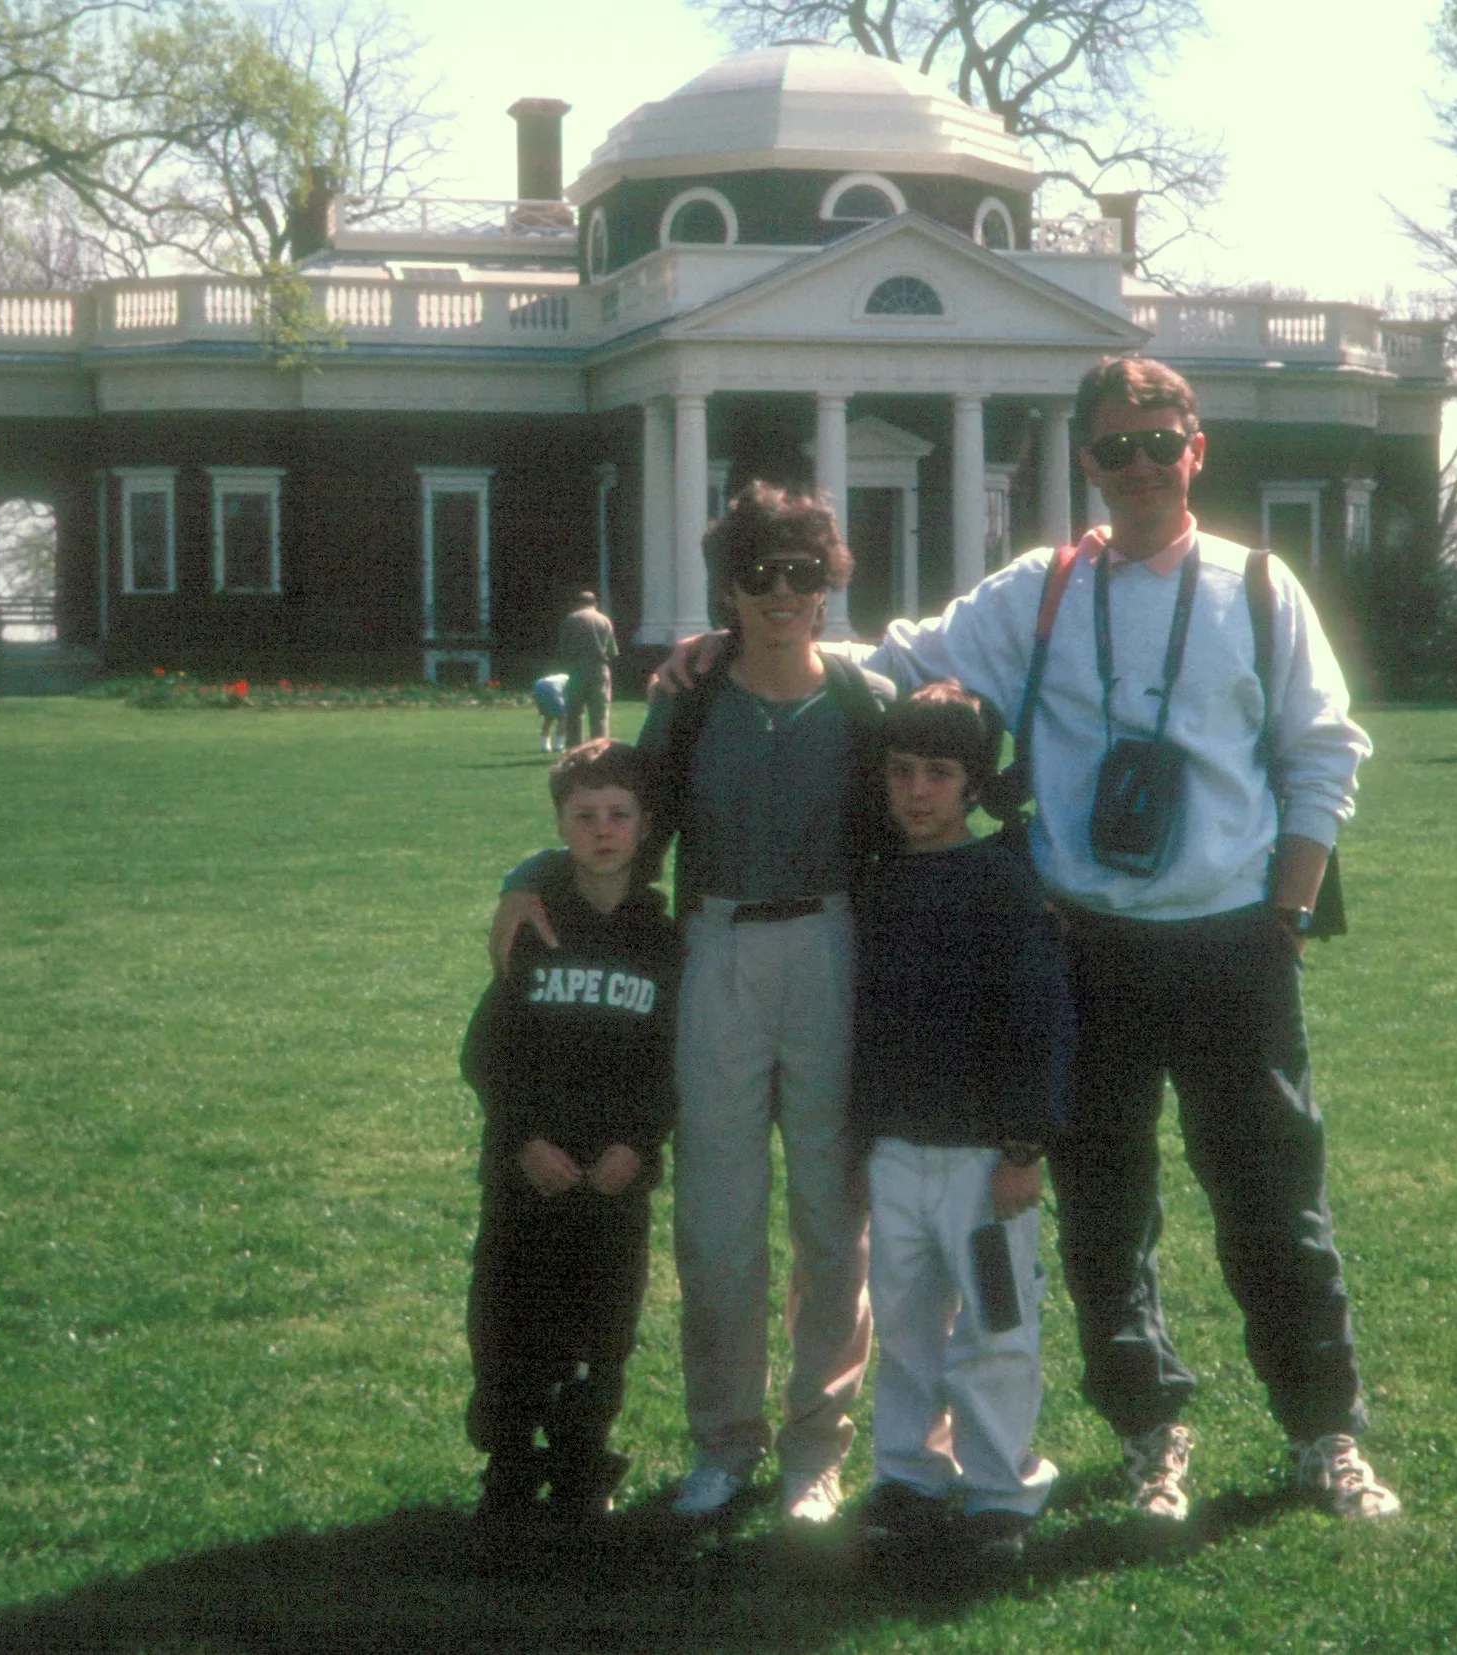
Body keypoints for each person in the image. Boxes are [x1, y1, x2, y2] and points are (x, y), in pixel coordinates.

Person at [662, 358, 1398, 1522]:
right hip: (1084, 942)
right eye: (1115, 448)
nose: (1140, 464)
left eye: (1161, 440)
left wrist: (1289, 913)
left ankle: (1322, 1432)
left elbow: (1322, 753)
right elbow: (897, 662)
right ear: (1087, 460)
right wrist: (735, 645)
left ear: (1195, 448)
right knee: (1104, 1210)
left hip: (1227, 943)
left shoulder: (1257, 588)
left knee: (1271, 1197)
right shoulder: (1041, 591)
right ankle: (1151, 1428)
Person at [491, 484, 893, 1527]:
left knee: (825, 1216)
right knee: (716, 1223)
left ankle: (816, 1449)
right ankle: (722, 1440)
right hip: (715, 945)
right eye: (757, 573)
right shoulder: (691, 696)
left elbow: (928, 814)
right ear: (728, 585)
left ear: (828, 580)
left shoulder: (861, 700)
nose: (780, 593)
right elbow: (618, 813)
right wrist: (528, 869)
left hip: (829, 947)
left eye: (802, 572)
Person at [850, 682, 1072, 1564]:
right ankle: (907, 1475)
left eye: (938, 773)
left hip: (986, 1160)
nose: (916, 792)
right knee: (903, 1323)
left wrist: (1022, 1147)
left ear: (974, 785)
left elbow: (1038, 1023)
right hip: (898, 1150)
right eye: (901, 771)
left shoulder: (1004, 884)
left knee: (995, 1323)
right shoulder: (875, 881)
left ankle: (998, 1488)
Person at [459, 740, 681, 1531]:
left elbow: (670, 1060)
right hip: (528, 1171)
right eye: (583, 816)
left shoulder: (664, 938)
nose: (602, 831)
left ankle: (584, 1460)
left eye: (618, 815)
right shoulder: (535, 923)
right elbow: (486, 1051)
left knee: (601, 1320)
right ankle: (509, 1461)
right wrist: (520, 1139)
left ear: (644, 826)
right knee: (510, 1317)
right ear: (559, 826)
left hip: (613, 1175)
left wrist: (640, 1142)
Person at [558, 590, 619, 745]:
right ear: (595, 603)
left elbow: (563, 648)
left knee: (575, 713)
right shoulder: (604, 620)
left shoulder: (571, 619)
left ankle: (574, 749)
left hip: (577, 668)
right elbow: (612, 651)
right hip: (599, 669)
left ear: (578, 603)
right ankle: (598, 749)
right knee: (599, 713)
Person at [531, 672, 571, 752]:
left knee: (548, 718)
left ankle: (545, 746)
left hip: (538, 685)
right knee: (563, 718)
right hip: (552, 687)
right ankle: (559, 746)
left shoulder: (562, 677)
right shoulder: (569, 680)